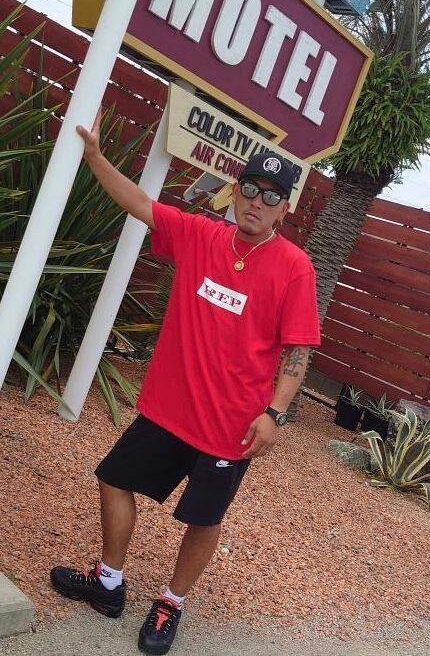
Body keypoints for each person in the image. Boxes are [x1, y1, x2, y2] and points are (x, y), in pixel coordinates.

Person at [50, 111, 320, 655]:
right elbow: (141, 205)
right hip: (168, 410)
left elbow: (298, 349)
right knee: (113, 479)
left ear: (284, 209)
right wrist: (97, 158)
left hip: (230, 428)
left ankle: (171, 601)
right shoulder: (200, 235)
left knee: (202, 519)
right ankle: (108, 582)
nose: (257, 202)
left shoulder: (295, 267)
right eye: (250, 189)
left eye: (271, 196)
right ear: (235, 191)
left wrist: (274, 413)